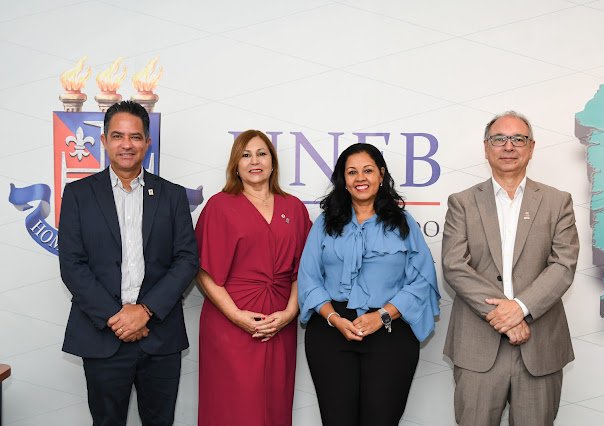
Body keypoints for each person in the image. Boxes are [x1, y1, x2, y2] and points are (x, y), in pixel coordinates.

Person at [58, 100, 199, 425]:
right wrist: (117, 317)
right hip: (102, 335)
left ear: (147, 143)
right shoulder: (78, 194)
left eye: (135, 137)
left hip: (159, 335)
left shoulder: (172, 196)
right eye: (118, 136)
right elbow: (72, 264)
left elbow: (186, 259)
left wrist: (145, 311)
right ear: (104, 140)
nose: (127, 144)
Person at [442, 111, 579, 425]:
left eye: (518, 139)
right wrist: (505, 316)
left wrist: (520, 308)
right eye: (499, 139)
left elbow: (564, 264)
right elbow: (454, 265)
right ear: (486, 147)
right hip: (477, 345)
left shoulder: (558, 201)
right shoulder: (462, 202)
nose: (508, 146)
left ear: (531, 147)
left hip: (540, 344)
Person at [298, 143, 440, 426]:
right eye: (352, 172)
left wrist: (382, 315)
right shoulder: (325, 223)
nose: (360, 178)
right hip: (332, 330)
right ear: (343, 179)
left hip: (390, 331)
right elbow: (308, 278)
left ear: (381, 175)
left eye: (368, 170)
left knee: (381, 419)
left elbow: (422, 281)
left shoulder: (403, 223)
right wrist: (334, 318)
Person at [194, 130, 311, 426]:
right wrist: (236, 316)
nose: (254, 161)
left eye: (261, 154)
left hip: (280, 322)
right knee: (232, 407)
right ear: (235, 165)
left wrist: (290, 312)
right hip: (229, 323)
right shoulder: (219, 205)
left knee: (275, 404)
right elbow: (203, 270)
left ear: (273, 162)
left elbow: (306, 269)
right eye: (245, 155)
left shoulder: (294, 208)